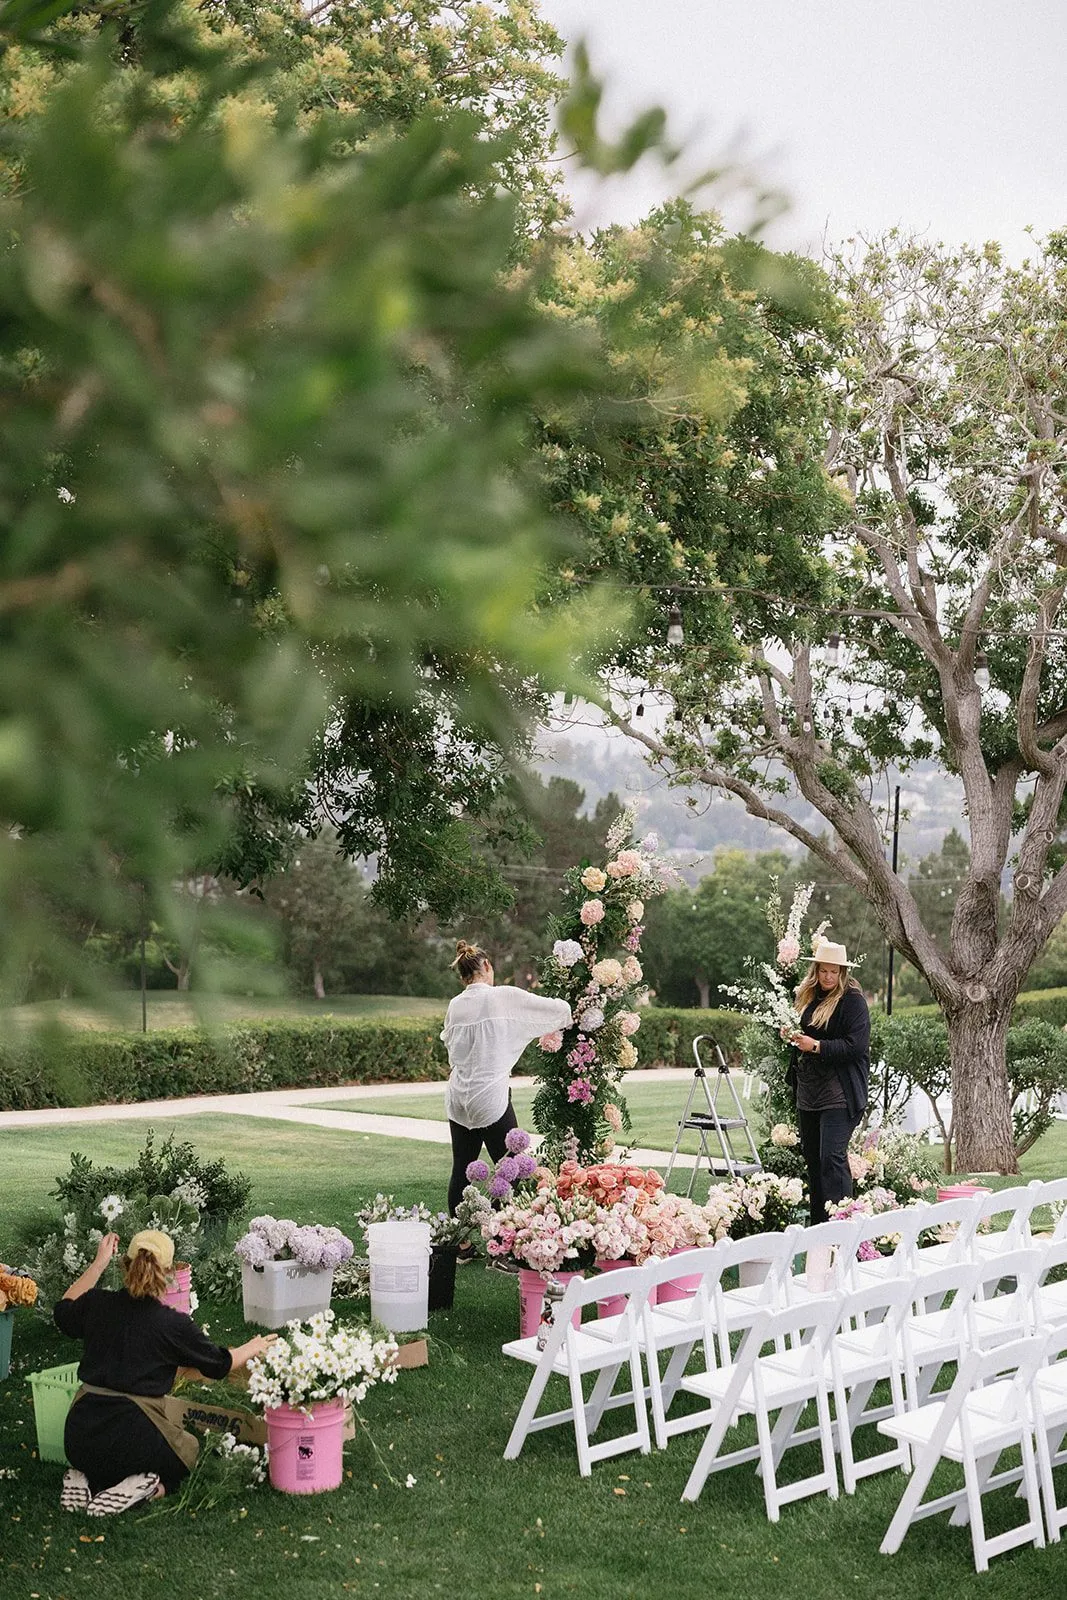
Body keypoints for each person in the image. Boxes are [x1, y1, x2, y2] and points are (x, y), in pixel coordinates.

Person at [54, 1228, 276, 1516]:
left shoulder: (96, 1303)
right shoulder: (171, 1324)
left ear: (124, 1264)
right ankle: (150, 1488)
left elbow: (63, 1310)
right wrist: (252, 1346)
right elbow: (219, 1364)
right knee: (190, 1449)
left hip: (78, 1435)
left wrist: (98, 1262)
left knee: (105, 1454)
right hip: (132, 1439)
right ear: (170, 1273)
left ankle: (88, 1477)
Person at [441, 940, 571, 1216]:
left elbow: (450, 1044)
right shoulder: (501, 996)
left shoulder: (455, 1005)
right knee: (511, 1168)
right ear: (486, 966)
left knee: (461, 1168)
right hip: (489, 1097)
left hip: (458, 1096)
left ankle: (459, 1243)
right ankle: (505, 1238)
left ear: (462, 975)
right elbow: (553, 1010)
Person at [782, 939, 870, 1225]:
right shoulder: (809, 998)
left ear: (842, 972)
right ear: (816, 971)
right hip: (810, 1090)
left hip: (839, 1092)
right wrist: (792, 1035)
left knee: (832, 1158)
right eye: (823, 971)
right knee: (813, 1159)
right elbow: (805, 1036)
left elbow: (855, 1046)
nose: (828, 977)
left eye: (834, 972)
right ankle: (820, 1228)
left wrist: (817, 1046)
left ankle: (842, 1225)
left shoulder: (852, 1001)